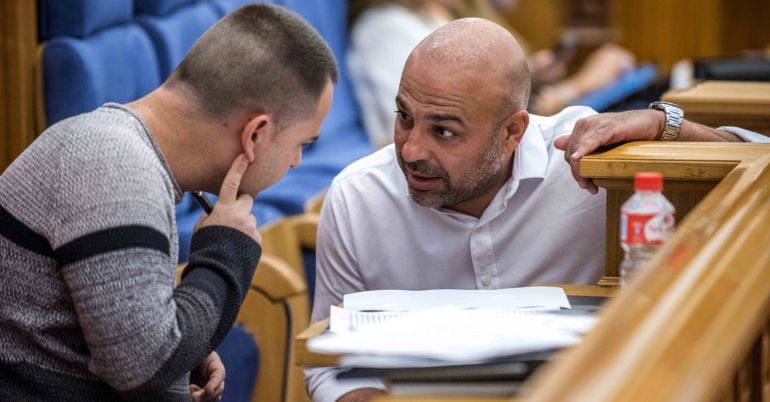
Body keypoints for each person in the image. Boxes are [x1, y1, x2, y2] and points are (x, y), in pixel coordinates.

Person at [306, 17, 768, 402]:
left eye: (444, 131)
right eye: (405, 117)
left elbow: (759, 176)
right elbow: (328, 364)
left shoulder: (595, 164)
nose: (410, 150)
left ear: (513, 132)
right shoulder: (358, 198)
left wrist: (667, 127)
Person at [0, 4, 336, 401]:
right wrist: (226, 253)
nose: (297, 161)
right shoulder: (113, 167)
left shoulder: (122, 154)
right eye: (301, 144)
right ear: (256, 135)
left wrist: (188, 349)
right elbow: (145, 369)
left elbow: (143, 351)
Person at [347, 0, 635, 148]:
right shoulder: (384, 28)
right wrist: (580, 84)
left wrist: (529, 76)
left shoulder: (442, 12)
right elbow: (430, 126)